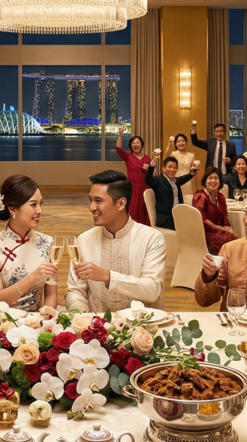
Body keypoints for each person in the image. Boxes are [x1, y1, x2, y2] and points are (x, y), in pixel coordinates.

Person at [66, 170, 166, 312]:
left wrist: (107, 277)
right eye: (90, 200)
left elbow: (152, 290)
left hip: (140, 327)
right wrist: (80, 316)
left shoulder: (151, 238)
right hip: (97, 329)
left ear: (121, 203)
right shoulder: (84, 240)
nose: (91, 207)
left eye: (98, 201)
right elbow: (75, 290)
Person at [0, 175, 58, 311]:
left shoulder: (47, 242)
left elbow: (51, 295)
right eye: (33, 204)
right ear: (12, 209)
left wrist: (44, 320)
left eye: (41, 203)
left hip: (36, 323)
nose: (40, 210)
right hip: (2, 321)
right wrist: (32, 277)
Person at [144, 153, 195, 230]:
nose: (172, 170)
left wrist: (192, 173)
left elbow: (184, 178)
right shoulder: (159, 180)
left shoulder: (176, 181)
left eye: (175, 168)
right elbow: (148, 179)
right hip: (165, 218)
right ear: (163, 168)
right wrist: (154, 162)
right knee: (187, 225)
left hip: (177, 215)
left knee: (195, 221)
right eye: (170, 167)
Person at [192, 167, 237, 254]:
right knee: (228, 241)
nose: (213, 181)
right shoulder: (200, 196)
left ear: (220, 181)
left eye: (216, 178)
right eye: (210, 178)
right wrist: (221, 229)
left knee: (235, 239)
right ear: (205, 181)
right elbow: (202, 219)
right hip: (204, 232)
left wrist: (230, 230)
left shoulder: (221, 197)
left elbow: (225, 217)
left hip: (218, 232)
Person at [115, 127, 152, 225]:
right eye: (134, 143)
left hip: (145, 186)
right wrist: (120, 136)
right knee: (133, 206)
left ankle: (145, 227)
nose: (136, 145)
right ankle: (132, 225)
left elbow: (152, 172)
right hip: (133, 187)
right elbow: (118, 149)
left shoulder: (147, 158)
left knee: (145, 206)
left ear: (142, 145)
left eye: (138, 143)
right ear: (131, 146)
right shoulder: (128, 156)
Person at [165, 133, 198, 198]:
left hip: (188, 182)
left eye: (183, 141)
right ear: (176, 144)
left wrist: (195, 188)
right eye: (178, 141)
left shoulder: (191, 155)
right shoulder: (173, 154)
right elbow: (165, 159)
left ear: (186, 142)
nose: (181, 143)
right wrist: (169, 145)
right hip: (176, 180)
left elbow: (193, 172)